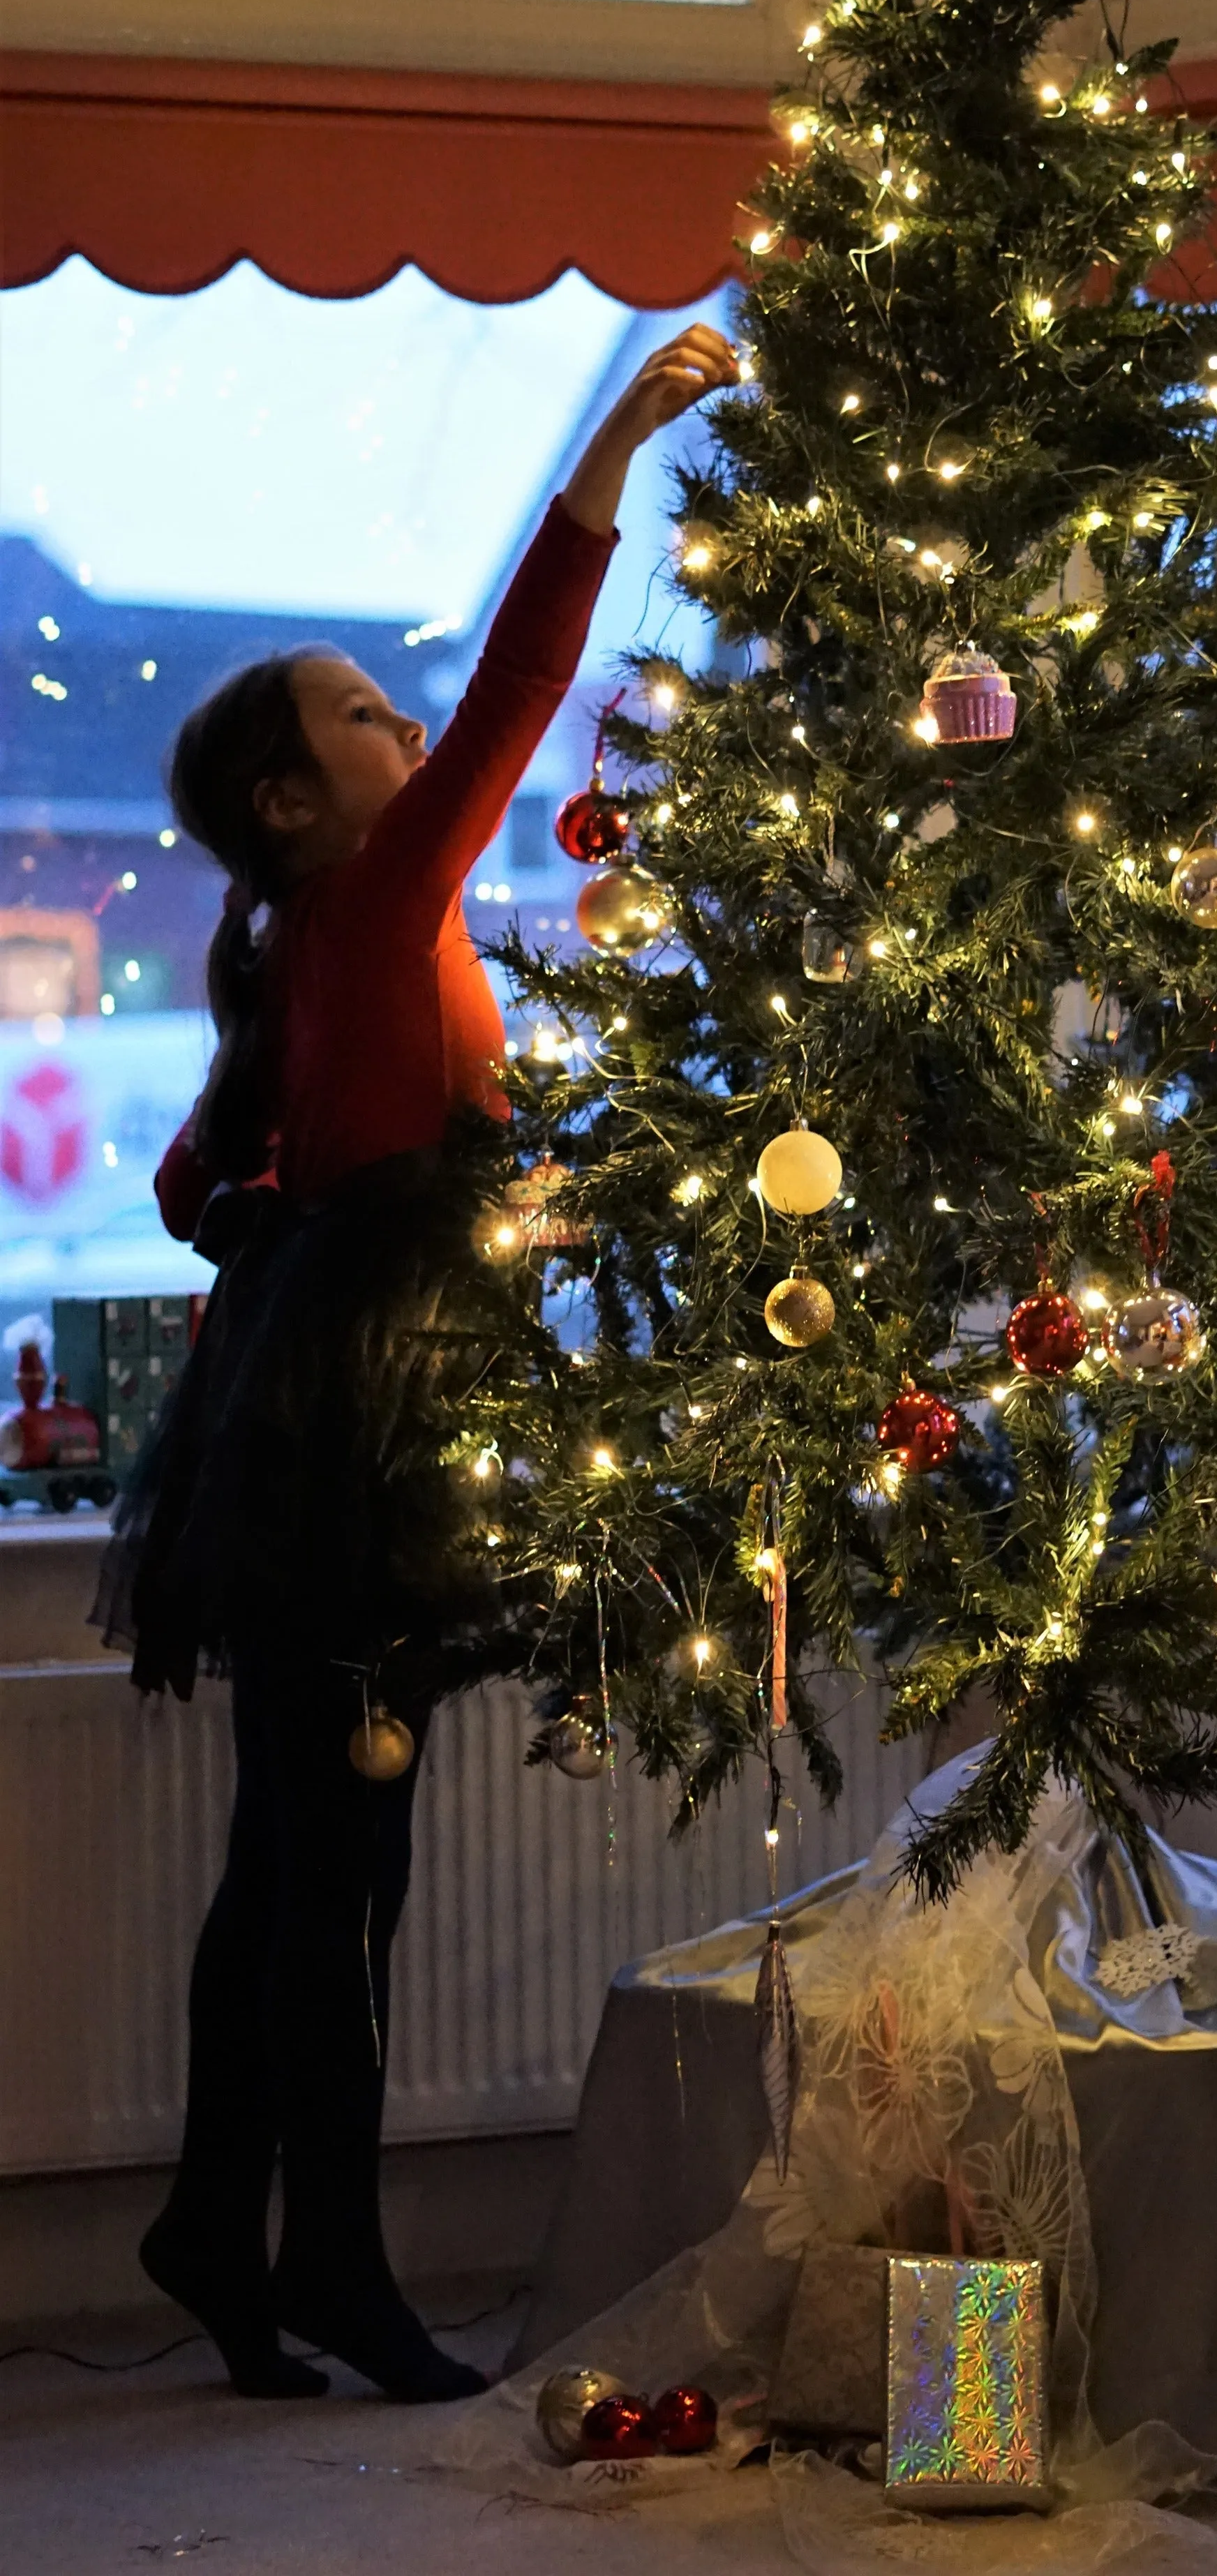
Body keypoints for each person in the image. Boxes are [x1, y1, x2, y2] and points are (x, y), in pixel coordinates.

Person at [96, 322, 737, 2404]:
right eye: (366, 715)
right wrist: (620, 435)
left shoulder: (316, 950)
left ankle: (226, 2225)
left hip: (314, 1427)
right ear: (297, 799)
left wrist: (381, 1214)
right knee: (335, 1864)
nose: (414, 727)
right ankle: (336, 2269)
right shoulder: (373, 900)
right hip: (358, 1449)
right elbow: (529, 693)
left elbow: (208, 1187)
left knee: (290, 1855)